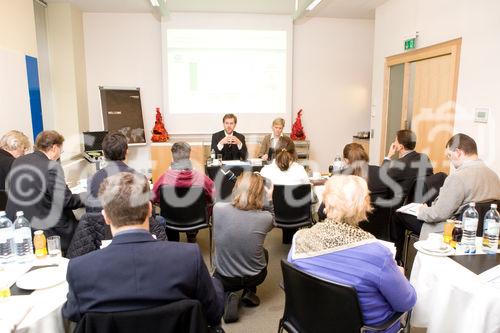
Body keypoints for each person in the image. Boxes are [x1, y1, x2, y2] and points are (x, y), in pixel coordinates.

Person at [62, 172, 224, 329]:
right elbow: (214, 312)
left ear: (106, 217)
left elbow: (73, 314)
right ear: (149, 209)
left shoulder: (80, 270)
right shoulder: (189, 258)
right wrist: (215, 282)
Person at [289, 175, 416, 333]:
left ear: (326, 202)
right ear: (363, 205)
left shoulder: (299, 240)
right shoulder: (378, 255)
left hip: (309, 323)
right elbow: (406, 302)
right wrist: (400, 275)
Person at [392, 133, 500, 257]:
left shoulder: (458, 177)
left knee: (398, 215)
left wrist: (422, 210)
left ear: (458, 152)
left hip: (452, 231)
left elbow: (437, 214)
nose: (450, 161)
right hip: (482, 235)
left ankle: (397, 260)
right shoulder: (494, 175)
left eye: (449, 156)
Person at [6, 130, 84, 253]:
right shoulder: (51, 167)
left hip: (21, 226)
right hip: (46, 229)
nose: (60, 155)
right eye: (61, 151)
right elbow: (67, 201)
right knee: (84, 224)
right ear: (54, 148)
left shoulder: (19, 161)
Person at [213, 172, 274, 323]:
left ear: (236, 189)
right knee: (264, 252)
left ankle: (229, 294)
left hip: (224, 277)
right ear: (261, 194)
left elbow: (231, 203)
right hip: (255, 276)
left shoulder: (218, 209)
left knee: (230, 250)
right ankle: (249, 291)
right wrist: (270, 199)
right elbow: (273, 217)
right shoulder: (265, 219)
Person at [152, 141, 215, 242]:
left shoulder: (164, 178)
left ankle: (173, 241)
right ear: (189, 157)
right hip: (197, 219)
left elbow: (153, 198)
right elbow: (214, 196)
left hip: (171, 220)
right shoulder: (201, 178)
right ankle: (192, 234)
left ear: (173, 158)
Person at [317, 143, 389, 221]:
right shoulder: (382, 172)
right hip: (380, 228)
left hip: (349, 229)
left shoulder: (339, 178)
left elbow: (322, 213)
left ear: (346, 160)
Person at [260, 136, 310, 243]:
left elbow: (260, 195)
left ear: (275, 151)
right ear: (294, 152)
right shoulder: (300, 170)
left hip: (272, 214)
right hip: (299, 215)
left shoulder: (265, 171)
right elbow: (308, 195)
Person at [382, 129, 434, 203]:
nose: (394, 143)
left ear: (401, 147)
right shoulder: (424, 157)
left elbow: (381, 178)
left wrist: (389, 156)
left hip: (402, 204)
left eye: (395, 141)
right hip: (422, 201)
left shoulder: (399, 164)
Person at [87, 132, 135, 201]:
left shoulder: (93, 180)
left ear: (103, 154)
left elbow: (91, 209)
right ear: (127, 151)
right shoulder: (139, 178)